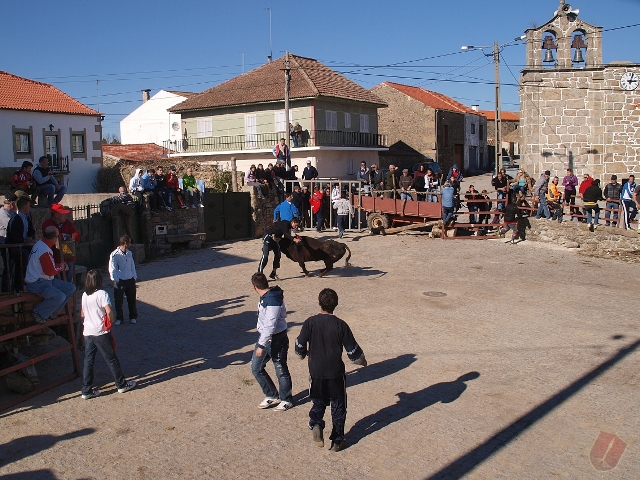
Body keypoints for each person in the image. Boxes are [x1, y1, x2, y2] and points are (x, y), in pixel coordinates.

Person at [295, 288, 367, 452]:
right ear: (336, 305)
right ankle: (337, 439)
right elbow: (353, 353)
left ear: (319, 303)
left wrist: (301, 355)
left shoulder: (310, 322)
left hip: (316, 371)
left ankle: (316, 423)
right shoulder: (341, 325)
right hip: (335, 372)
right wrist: (363, 362)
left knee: (318, 401)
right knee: (338, 404)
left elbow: (299, 345)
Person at [80, 269, 136, 400]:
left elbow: (82, 314)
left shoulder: (84, 295)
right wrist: (110, 321)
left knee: (88, 361)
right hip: (100, 331)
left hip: (88, 332)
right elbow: (109, 311)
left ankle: (86, 390)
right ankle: (121, 384)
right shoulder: (101, 294)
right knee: (111, 359)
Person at [250, 272, 293, 411]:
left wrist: (261, 345)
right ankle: (271, 395)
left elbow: (270, 324)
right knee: (256, 368)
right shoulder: (269, 296)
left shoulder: (272, 300)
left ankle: (286, 399)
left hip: (276, 340)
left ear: (254, 287)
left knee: (280, 369)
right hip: (266, 338)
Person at [24, 226, 76, 324]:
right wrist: (61, 267)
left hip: (45, 279)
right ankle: (38, 312)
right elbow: (50, 271)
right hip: (37, 282)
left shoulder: (41, 245)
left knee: (71, 288)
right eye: (57, 236)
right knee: (60, 297)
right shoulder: (44, 250)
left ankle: (53, 311)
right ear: (54, 238)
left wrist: (58, 266)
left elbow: (48, 268)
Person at [42, 204, 81, 283]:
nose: (65, 215)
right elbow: (51, 238)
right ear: (56, 215)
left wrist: (67, 236)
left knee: (69, 279)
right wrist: (64, 236)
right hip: (54, 257)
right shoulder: (47, 224)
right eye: (63, 214)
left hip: (67, 256)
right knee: (56, 280)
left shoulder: (67, 223)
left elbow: (76, 235)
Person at [6, 197, 36, 292]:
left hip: (24, 245)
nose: (29, 208)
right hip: (14, 247)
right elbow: (15, 238)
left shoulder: (27, 217)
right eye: (28, 206)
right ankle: (19, 284)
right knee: (24, 255)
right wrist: (25, 241)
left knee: (37, 252)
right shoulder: (15, 219)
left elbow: (32, 231)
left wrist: (31, 237)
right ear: (23, 207)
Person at [108, 235, 138, 325]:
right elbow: (112, 268)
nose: (130, 244)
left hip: (130, 279)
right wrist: (116, 279)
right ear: (125, 243)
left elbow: (132, 265)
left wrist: (134, 276)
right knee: (118, 301)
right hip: (120, 280)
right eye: (129, 242)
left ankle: (133, 316)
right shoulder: (115, 254)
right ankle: (119, 318)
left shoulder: (129, 253)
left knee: (131, 299)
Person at [0, 193, 18, 292]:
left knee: (12, 268)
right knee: (8, 268)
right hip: (4, 243)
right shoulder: (3, 213)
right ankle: (5, 290)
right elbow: (11, 226)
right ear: (11, 204)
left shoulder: (12, 212)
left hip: (10, 243)